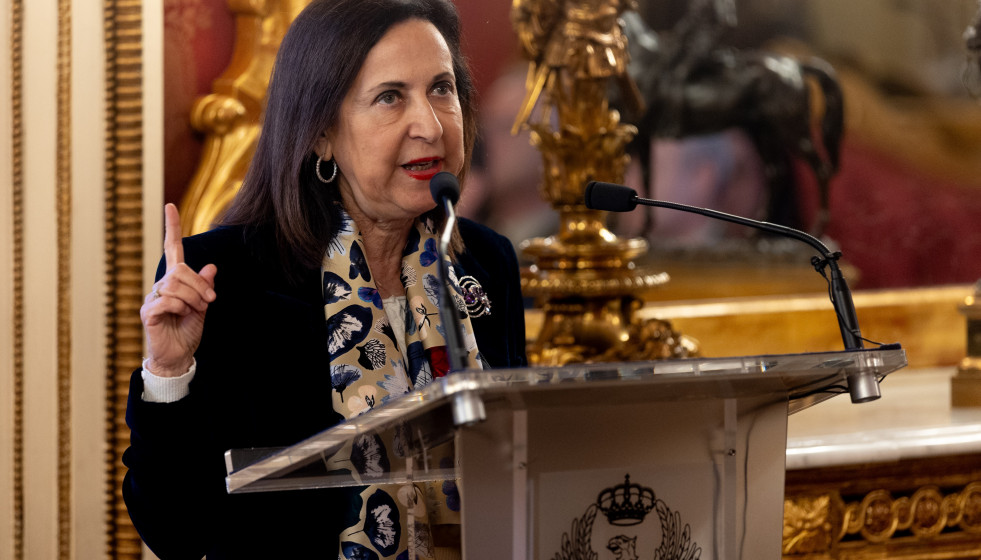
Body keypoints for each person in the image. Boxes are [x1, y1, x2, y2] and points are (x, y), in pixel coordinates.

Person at [122, 0, 528, 558]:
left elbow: (519, 475)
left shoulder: (486, 263)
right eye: (391, 97)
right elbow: (176, 529)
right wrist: (169, 373)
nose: (430, 124)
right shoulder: (225, 276)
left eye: (441, 88)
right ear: (321, 135)